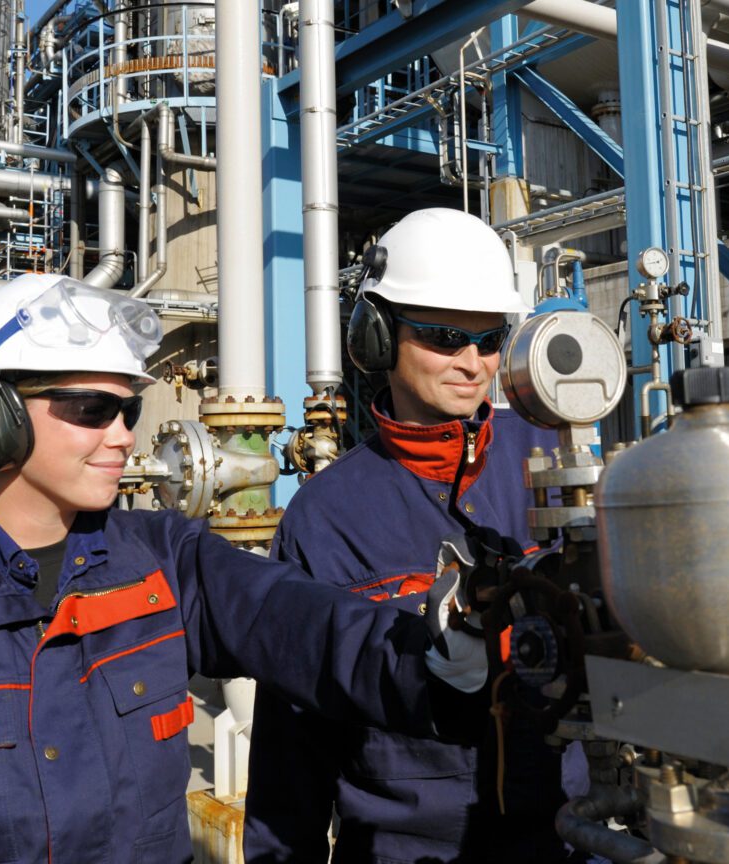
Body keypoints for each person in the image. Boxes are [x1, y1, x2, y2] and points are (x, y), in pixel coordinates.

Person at [0, 273, 487, 864]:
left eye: (128, 408)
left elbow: (307, 626)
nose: (124, 434)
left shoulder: (164, 562)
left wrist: (437, 654)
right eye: (92, 410)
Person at [244, 208, 570, 863]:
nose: (473, 363)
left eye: (488, 339)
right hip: (405, 847)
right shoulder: (324, 516)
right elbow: (291, 744)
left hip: (565, 835)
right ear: (376, 336)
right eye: (445, 337)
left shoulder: (556, 463)